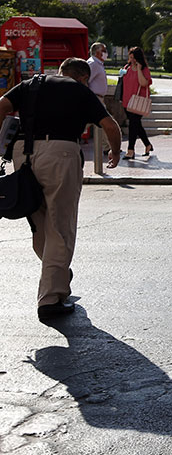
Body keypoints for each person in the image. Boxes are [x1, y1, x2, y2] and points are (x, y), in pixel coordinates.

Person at [0, 58, 122, 321]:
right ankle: (51, 298)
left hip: (26, 154)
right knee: (60, 226)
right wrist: (115, 150)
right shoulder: (78, 90)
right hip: (61, 154)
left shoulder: (31, 84)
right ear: (82, 78)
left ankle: (58, 274)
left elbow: (2, 107)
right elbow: (109, 125)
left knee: (39, 222)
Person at [120, 47, 153, 160]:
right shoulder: (126, 68)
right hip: (127, 102)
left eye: (134, 58)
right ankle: (148, 145)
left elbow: (144, 83)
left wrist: (138, 69)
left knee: (133, 125)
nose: (132, 60)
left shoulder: (144, 69)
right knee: (136, 125)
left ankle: (130, 150)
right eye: (130, 57)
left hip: (138, 102)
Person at [85, 42, 109, 155]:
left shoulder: (98, 64)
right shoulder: (93, 64)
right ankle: (107, 146)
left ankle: (106, 146)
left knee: (102, 122)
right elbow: (86, 80)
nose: (106, 53)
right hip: (95, 98)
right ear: (97, 52)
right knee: (105, 120)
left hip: (99, 97)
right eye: (104, 51)